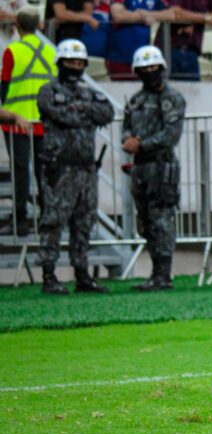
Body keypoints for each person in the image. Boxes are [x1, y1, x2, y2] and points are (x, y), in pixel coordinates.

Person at [36, 39, 114, 295]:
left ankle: (82, 276)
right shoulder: (48, 90)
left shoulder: (87, 92)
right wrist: (85, 113)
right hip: (59, 168)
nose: (76, 66)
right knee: (53, 221)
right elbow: (61, 115)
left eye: (80, 63)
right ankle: (49, 276)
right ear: (60, 63)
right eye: (71, 62)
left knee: (84, 222)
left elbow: (107, 113)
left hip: (86, 169)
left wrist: (82, 108)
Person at [123, 46, 186, 291]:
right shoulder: (137, 100)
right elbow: (126, 126)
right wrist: (128, 140)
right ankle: (155, 274)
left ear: (161, 69)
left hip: (163, 168)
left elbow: (171, 134)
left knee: (162, 221)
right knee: (146, 222)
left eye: (154, 68)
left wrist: (142, 144)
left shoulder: (171, 97)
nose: (150, 72)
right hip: (140, 170)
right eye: (145, 69)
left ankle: (163, 275)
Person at [0, 7, 55, 237]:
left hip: (17, 120)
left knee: (20, 171)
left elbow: (4, 86)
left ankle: (20, 220)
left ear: (17, 26)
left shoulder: (13, 50)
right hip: (44, 120)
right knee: (44, 171)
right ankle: (47, 218)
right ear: (40, 25)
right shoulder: (53, 51)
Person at [155, 0, 212, 81]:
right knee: (166, 90)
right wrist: (206, 18)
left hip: (192, 52)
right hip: (169, 49)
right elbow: (175, 14)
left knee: (194, 91)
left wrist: (189, 18)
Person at [107, 0, 175, 80]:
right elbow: (118, 15)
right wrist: (143, 17)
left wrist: (146, 14)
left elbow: (170, 15)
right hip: (120, 56)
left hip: (146, 57)